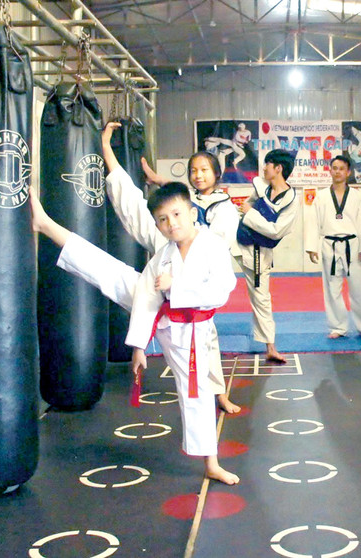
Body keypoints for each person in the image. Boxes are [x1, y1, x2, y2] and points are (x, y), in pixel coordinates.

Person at [125, 182, 239, 485]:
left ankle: (211, 463)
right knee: (112, 276)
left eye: (176, 214)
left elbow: (223, 290)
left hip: (195, 330)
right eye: (162, 219)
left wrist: (176, 285)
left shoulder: (213, 244)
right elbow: (147, 297)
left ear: (191, 212)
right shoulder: (163, 254)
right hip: (167, 326)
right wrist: (139, 346)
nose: (171, 223)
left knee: (197, 395)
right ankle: (52, 230)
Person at [138, 149, 242, 414]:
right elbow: (174, 197)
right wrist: (154, 178)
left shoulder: (225, 206)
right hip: (177, 273)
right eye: (194, 170)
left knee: (209, 342)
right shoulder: (187, 200)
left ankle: (219, 394)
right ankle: (209, 393)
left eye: (205, 170)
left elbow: (218, 243)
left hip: (204, 278)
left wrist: (186, 274)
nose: (198, 175)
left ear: (216, 174)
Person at [236, 149, 300, 363]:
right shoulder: (261, 186)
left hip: (258, 251)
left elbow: (275, 231)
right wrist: (248, 211)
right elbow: (249, 204)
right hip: (237, 239)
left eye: (267, 165)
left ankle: (270, 346)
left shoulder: (291, 200)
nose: (263, 168)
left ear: (278, 168)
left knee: (260, 298)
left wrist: (250, 213)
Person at [305, 155, 361, 339]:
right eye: (334, 168)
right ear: (330, 170)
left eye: (341, 168)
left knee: (359, 287)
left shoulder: (356, 196)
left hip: (352, 244)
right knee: (332, 288)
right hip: (330, 244)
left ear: (348, 172)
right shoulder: (321, 196)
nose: (337, 171)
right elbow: (313, 222)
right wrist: (312, 247)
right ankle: (338, 327)